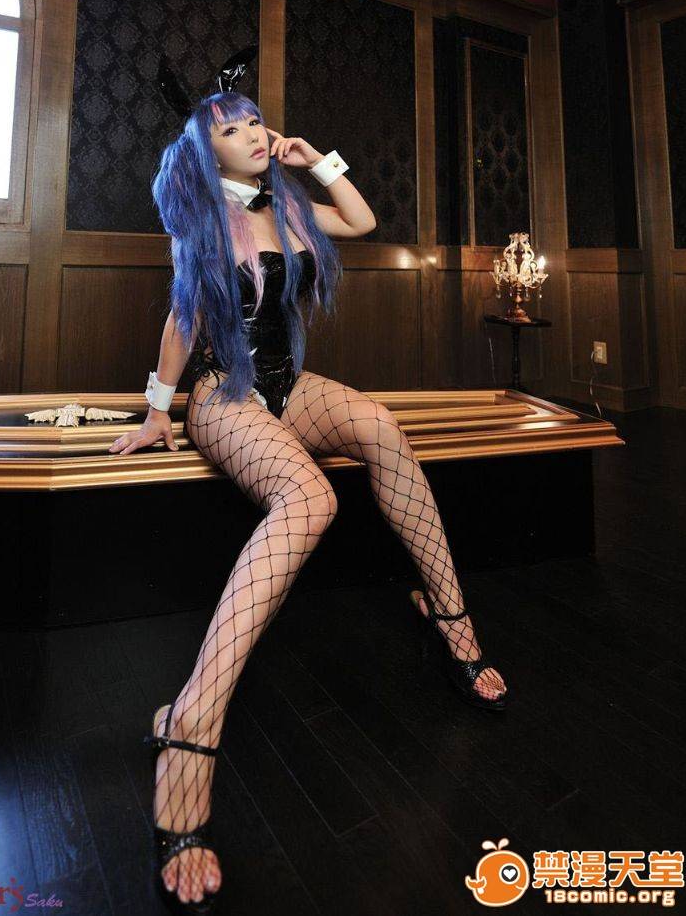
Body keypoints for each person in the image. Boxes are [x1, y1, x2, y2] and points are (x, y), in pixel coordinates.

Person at [107, 51, 508, 912]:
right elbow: (183, 318)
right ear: (206, 150)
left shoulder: (286, 205)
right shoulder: (202, 222)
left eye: (258, 121)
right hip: (224, 392)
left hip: (290, 385)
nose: (255, 133)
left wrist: (315, 159)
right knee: (312, 495)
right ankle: (193, 722)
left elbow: (361, 219)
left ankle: (450, 615)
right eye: (234, 129)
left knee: (382, 427)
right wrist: (155, 409)